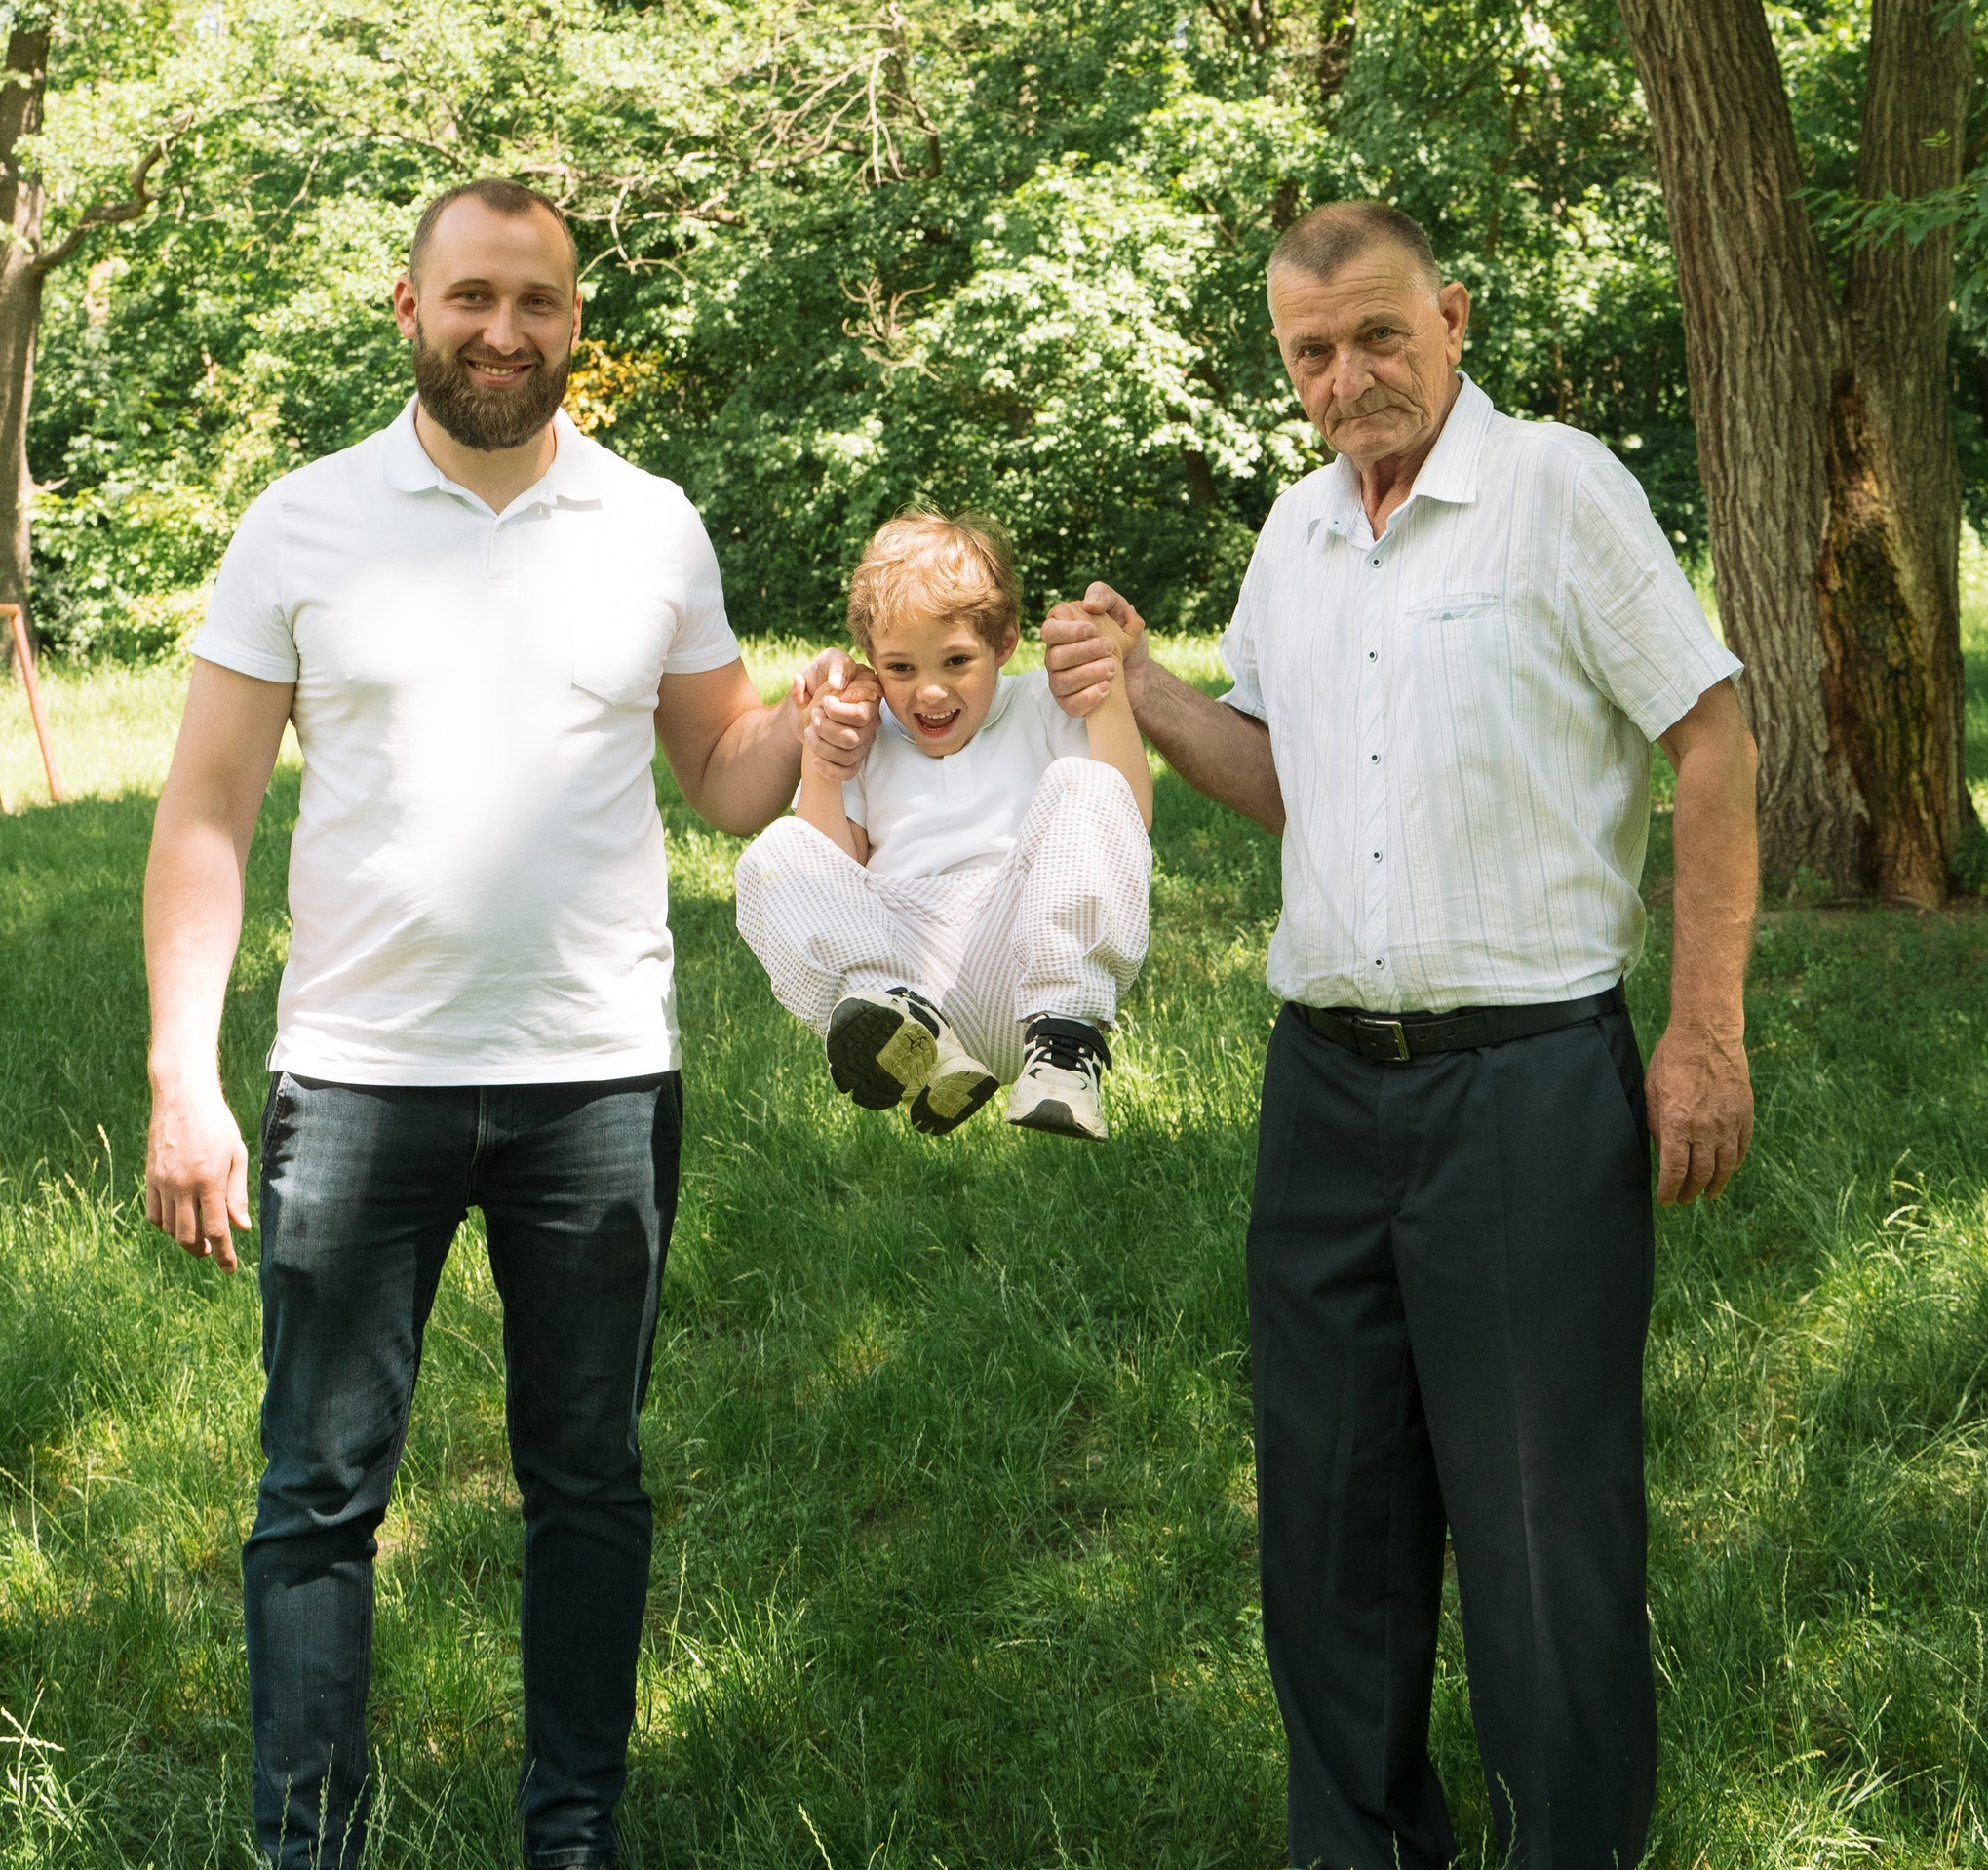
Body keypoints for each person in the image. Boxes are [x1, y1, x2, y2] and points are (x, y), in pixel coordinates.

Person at [138, 178, 866, 1870]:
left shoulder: (653, 523)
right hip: (358, 1077)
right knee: (318, 1500)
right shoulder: (301, 523)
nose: (503, 330)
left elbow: (718, 774)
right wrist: (187, 1069)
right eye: (471, 296)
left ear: (576, 328)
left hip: (595, 1082)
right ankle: (307, 1847)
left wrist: (820, 730)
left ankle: (574, 1839)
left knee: (590, 1484)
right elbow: (205, 813)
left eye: (537, 302)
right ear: (408, 310)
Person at [1043, 201, 1757, 1870]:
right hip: (1324, 1091)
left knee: (1536, 1540)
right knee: (1332, 1530)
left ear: (1452, 317)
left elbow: (1711, 740)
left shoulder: (1560, 491)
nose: (1348, 375)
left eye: (1377, 335)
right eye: (1312, 352)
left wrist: (1704, 1030)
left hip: (1525, 1088)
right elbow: (1283, 781)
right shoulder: (1296, 535)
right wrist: (1148, 691)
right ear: (1283, 367)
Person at [734, 510, 1153, 1141]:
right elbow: (830, 871)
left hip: (1027, 962)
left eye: (956, 661)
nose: (928, 692)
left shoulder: (1041, 702)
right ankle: (915, 1043)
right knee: (775, 854)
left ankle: (1066, 1050)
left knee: (1086, 783)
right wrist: (824, 764)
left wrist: (1105, 687)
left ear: (1004, 643)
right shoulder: (868, 731)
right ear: (872, 660)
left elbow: (1125, 817)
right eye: (901, 668)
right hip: (906, 971)